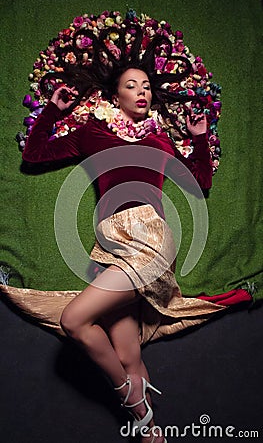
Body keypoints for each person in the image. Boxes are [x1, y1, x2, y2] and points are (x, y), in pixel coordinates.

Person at [1, 30, 252, 443]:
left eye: (147, 86)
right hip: (114, 245)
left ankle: (133, 402)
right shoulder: (93, 133)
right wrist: (51, 109)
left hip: (151, 238)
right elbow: (33, 156)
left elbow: (200, 180)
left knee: (74, 320)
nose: (141, 92)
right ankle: (152, 432)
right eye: (131, 85)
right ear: (115, 95)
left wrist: (200, 137)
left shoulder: (159, 138)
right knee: (128, 354)